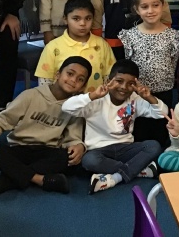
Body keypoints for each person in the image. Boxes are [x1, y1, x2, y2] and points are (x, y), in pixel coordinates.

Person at [61, 59, 166, 194]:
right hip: (100, 151)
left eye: (130, 84)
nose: (123, 87)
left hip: (125, 149)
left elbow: (162, 113)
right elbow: (66, 107)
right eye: (119, 81)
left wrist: (148, 97)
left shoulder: (135, 99)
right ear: (108, 80)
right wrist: (93, 95)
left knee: (153, 146)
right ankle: (138, 170)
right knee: (89, 160)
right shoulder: (97, 100)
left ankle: (116, 177)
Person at [0, 56, 91, 195]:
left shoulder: (76, 107)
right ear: (57, 74)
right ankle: (39, 179)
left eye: (80, 79)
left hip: (47, 151)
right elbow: (2, 119)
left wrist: (79, 146)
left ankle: (10, 178)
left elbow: (73, 137)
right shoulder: (30, 95)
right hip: (19, 148)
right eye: (70, 73)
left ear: (83, 86)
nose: (73, 80)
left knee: (68, 159)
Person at [119, 0, 179, 147]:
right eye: (144, 7)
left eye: (155, 5)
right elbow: (127, 65)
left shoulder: (172, 36)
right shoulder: (129, 36)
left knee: (160, 134)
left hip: (164, 94)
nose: (151, 11)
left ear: (163, 5)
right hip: (136, 95)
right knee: (138, 133)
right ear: (136, 9)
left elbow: (174, 62)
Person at [35, 0, 116, 92]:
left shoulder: (102, 45)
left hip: (96, 100)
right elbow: (44, 82)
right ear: (65, 19)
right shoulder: (53, 47)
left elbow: (109, 77)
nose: (83, 23)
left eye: (88, 18)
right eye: (76, 19)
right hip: (63, 101)